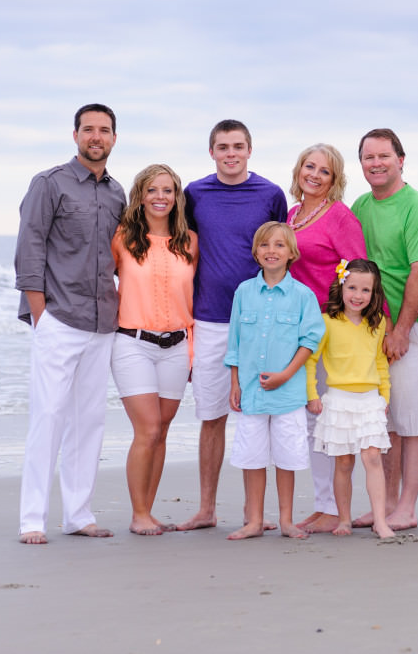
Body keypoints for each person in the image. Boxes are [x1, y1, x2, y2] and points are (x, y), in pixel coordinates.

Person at [13, 104, 124, 544]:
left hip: (103, 323)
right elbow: (29, 250)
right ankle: (31, 519)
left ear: (115, 138)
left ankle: (78, 514)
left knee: (90, 419)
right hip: (59, 317)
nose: (96, 136)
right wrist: (41, 315)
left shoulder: (117, 193)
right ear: (75, 134)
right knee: (49, 416)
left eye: (104, 130)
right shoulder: (48, 184)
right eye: (88, 129)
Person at [177, 120, 288, 532]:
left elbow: (280, 250)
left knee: (260, 415)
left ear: (249, 150)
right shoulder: (194, 194)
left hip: (261, 320)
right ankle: (206, 509)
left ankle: (254, 512)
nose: (230, 153)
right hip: (208, 319)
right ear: (212, 152)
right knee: (211, 416)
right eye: (222, 147)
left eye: (238, 146)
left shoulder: (270, 194)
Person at [351, 128, 418, 531]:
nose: (376, 164)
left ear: (400, 160)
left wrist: (402, 330)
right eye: (368, 157)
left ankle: (407, 506)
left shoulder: (417, 207)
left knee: (412, 419)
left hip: (415, 327)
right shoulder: (359, 205)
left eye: (383, 156)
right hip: (372, 331)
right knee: (385, 421)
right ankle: (385, 501)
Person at [285, 144, 368, 534]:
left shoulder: (340, 217)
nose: (314, 175)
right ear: (299, 169)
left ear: (335, 180)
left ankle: (338, 508)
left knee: (329, 419)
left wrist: (352, 328)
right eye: (309, 166)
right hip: (298, 330)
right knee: (309, 420)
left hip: (330, 328)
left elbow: (359, 276)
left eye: (325, 171)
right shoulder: (292, 215)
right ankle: (323, 504)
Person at [110, 164, 197, 536]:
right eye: (153, 190)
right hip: (132, 344)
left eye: (168, 190)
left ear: (177, 197)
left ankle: (149, 509)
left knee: (162, 430)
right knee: (146, 428)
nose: (161, 197)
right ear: (140, 196)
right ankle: (138, 513)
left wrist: (195, 350)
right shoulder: (123, 238)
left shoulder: (190, 241)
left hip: (177, 346)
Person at [224, 222, 325, 540]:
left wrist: (285, 375)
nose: (272, 251)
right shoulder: (244, 292)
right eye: (265, 245)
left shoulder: (302, 295)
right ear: (256, 252)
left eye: (280, 245)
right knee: (252, 457)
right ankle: (253, 520)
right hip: (252, 394)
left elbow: (311, 339)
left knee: (287, 458)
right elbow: (235, 342)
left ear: (292, 252)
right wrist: (235, 383)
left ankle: (286, 520)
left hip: (288, 394)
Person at [305, 259, 394, 539]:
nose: (358, 295)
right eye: (352, 287)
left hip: (370, 400)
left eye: (365, 290)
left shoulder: (376, 324)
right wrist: (312, 395)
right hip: (339, 400)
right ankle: (343, 519)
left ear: (374, 293)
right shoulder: (327, 322)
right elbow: (311, 361)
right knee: (343, 463)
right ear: (341, 287)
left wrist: (385, 396)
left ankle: (380, 520)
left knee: (373, 458)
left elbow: (380, 362)